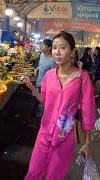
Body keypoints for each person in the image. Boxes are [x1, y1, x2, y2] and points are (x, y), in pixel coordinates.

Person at [22, 31, 95, 179]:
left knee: (54, 176)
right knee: (33, 172)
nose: (57, 52)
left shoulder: (82, 78)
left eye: (63, 48)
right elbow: (45, 100)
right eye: (54, 48)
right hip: (44, 132)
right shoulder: (49, 76)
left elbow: (88, 111)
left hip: (64, 137)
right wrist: (31, 87)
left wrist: (87, 143)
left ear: (73, 51)